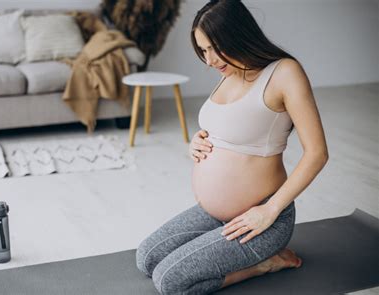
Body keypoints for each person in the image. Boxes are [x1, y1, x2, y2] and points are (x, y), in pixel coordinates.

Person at [135, 0, 329, 294]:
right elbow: (231, 128)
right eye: (202, 50)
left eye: (214, 47)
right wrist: (197, 142)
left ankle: (265, 263)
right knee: (146, 258)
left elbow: (317, 153)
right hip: (215, 214)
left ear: (238, 34)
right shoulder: (228, 73)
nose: (209, 60)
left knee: (169, 281)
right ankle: (222, 247)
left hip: (262, 219)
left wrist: (270, 210)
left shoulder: (284, 73)